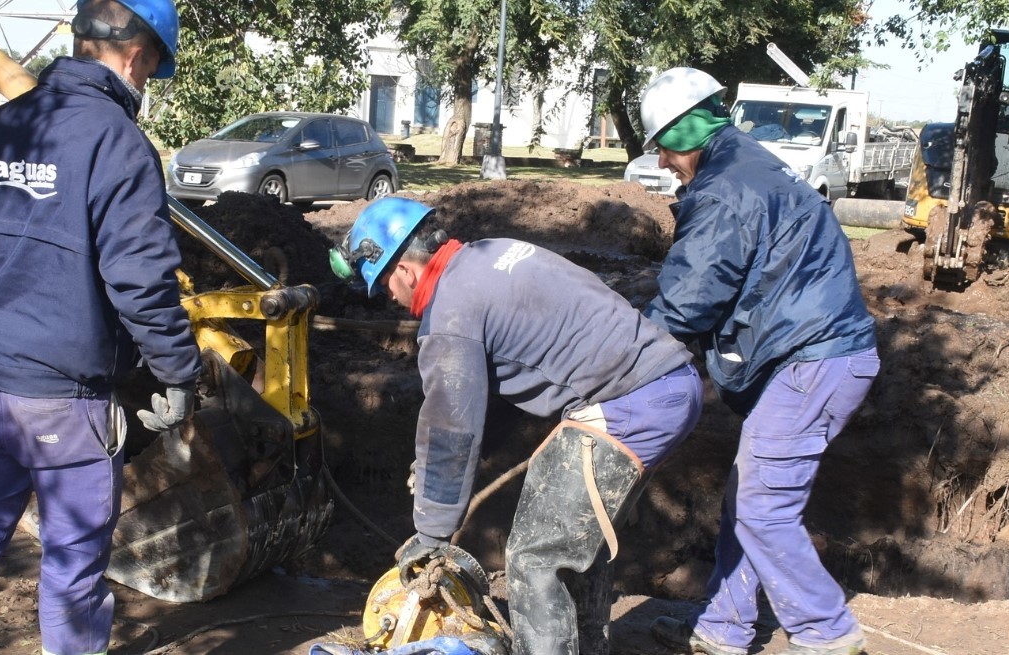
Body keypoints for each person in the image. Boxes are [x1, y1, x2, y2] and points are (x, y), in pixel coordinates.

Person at [0, 1, 202, 653]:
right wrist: (177, 371)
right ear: (137, 56)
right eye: (151, 71)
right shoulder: (118, 144)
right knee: (73, 559)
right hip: (66, 401)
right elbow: (140, 278)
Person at [329, 197, 704, 655]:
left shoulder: (450, 314)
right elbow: (498, 394)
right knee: (574, 545)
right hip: (664, 385)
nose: (389, 298)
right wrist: (455, 468)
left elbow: (450, 428)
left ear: (405, 270)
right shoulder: (491, 256)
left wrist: (431, 534)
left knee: (535, 558)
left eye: (384, 285)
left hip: (628, 402)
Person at [636, 67, 881, 655]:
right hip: (816, 353)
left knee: (763, 507)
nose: (663, 162)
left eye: (664, 147)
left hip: (812, 360)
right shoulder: (747, 162)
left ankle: (827, 633)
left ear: (684, 131)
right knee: (746, 495)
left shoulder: (723, 191)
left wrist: (626, 353)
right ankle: (723, 627)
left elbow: (689, 300)